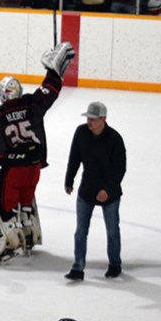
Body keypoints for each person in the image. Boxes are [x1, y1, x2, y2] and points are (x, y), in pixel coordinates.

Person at [0, 41, 76, 264]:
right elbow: (51, 91)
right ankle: (29, 237)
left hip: (15, 170)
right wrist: (53, 72)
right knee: (26, 202)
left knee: (3, 206)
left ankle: (11, 245)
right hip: (34, 167)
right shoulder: (32, 103)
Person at [63, 101, 127, 281]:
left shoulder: (115, 139)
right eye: (88, 118)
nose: (88, 122)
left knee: (112, 230)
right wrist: (69, 180)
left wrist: (107, 190)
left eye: (92, 119)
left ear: (103, 119)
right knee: (80, 231)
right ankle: (78, 267)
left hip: (110, 193)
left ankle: (115, 265)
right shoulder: (81, 133)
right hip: (87, 190)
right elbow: (74, 157)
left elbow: (120, 169)